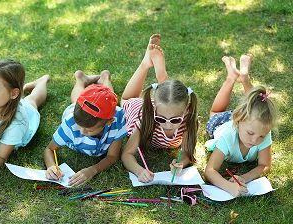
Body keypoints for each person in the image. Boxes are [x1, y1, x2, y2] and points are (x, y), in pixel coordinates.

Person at [121, 34, 198, 183]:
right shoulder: (147, 119)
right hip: (138, 108)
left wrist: (180, 161)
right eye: (161, 119)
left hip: (163, 104)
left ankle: (163, 80)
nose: (168, 124)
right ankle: (145, 63)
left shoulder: (188, 120)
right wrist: (139, 170)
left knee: (169, 97)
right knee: (124, 100)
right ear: (155, 110)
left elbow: (187, 152)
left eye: (175, 120)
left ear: (186, 111)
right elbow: (126, 154)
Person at [204, 54, 277, 197]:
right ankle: (231, 78)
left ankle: (244, 77)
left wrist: (244, 177)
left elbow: (265, 166)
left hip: (246, 119)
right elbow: (209, 171)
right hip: (221, 123)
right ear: (237, 122)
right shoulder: (227, 138)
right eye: (250, 134)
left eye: (261, 136)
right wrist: (230, 187)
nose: (255, 140)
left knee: (254, 104)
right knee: (215, 112)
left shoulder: (262, 133)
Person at [44, 70, 127, 186]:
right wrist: (51, 166)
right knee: (75, 100)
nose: (82, 132)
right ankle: (80, 79)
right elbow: (49, 149)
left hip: (100, 114)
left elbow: (112, 156)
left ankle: (105, 78)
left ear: (109, 122)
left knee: (108, 98)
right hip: (76, 110)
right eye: (80, 127)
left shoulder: (117, 120)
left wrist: (93, 169)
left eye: (89, 130)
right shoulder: (71, 123)